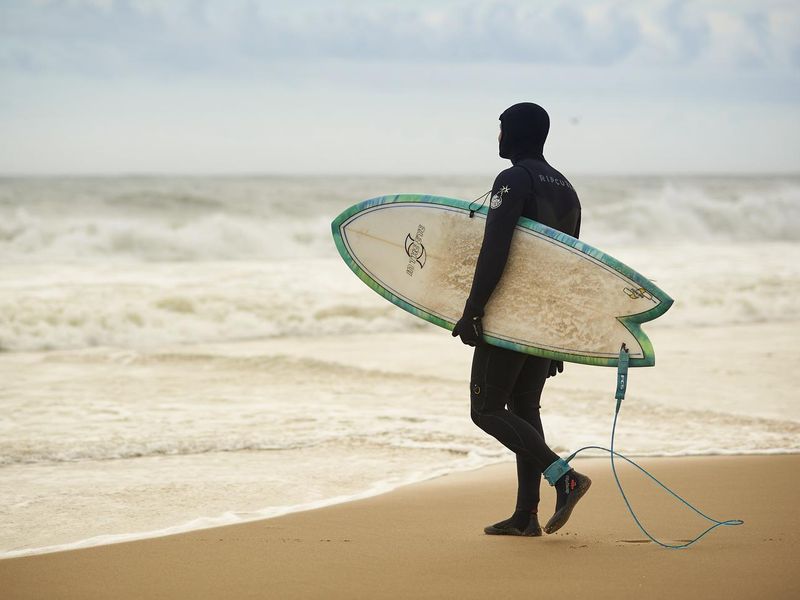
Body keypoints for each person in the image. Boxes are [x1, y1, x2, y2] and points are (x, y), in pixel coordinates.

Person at [451, 102, 591, 536]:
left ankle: (564, 477)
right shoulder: (567, 188)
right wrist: (555, 336)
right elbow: (567, 266)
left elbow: (496, 249)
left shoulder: (513, 179)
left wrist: (473, 311)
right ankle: (525, 517)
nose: (498, 137)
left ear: (515, 132)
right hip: (543, 314)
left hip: (511, 313)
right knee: (524, 407)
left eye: (501, 128)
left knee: (486, 409)